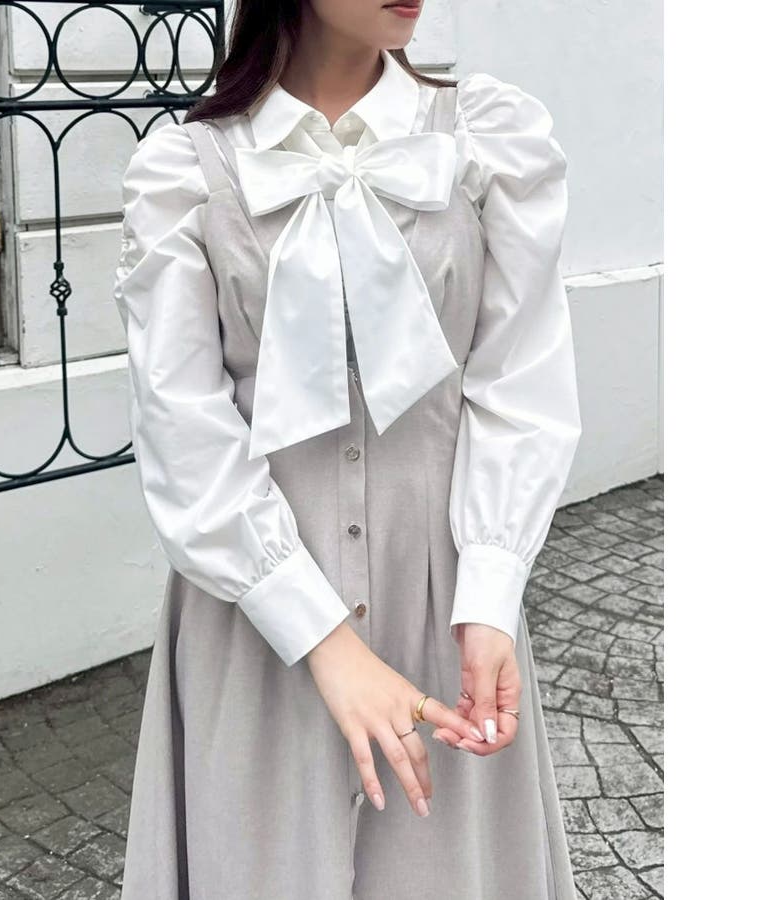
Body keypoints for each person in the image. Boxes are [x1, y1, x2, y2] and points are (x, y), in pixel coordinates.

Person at [113, 2, 582, 897]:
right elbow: (182, 428)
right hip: (258, 623)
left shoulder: (486, 141)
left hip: (442, 606)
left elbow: (520, 380)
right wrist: (325, 643)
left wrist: (491, 594)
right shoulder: (187, 172)